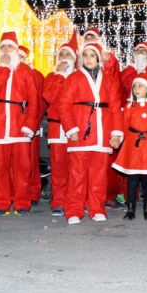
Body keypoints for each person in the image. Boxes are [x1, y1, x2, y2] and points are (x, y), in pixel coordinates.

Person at [57, 42, 123, 224]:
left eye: (92, 55)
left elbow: (116, 108)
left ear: (98, 58)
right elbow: (64, 105)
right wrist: (71, 128)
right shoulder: (74, 78)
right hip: (80, 133)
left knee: (99, 176)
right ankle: (74, 211)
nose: (88, 59)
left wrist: (116, 134)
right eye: (85, 55)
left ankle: (97, 209)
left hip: (102, 133)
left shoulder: (109, 80)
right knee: (77, 175)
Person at [0, 31, 40, 216]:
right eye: (3, 47)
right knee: (0, 167)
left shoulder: (25, 71)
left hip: (20, 124)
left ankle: (21, 202)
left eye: (10, 47)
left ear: (16, 49)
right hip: (0, 125)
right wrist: (4, 69)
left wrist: (30, 124)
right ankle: (1, 203)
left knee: (22, 167)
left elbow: (34, 99)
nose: (6, 50)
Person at [112, 72, 147, 220]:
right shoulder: (129, 106)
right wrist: (118, 138)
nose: (137, 89)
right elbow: (124, 125)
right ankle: (130, 208)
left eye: (141, 86)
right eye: (135, 86)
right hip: (133, 145)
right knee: (132, 179)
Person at [43, 34, 78, 216]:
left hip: (76, 129)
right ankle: (59, 201)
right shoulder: (52, 77)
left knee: (76, 168)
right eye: (62, 54)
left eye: (68, 54)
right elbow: (50, 97)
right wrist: (60, 75)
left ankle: (76, 201)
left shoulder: (80, 77)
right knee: (58, 167)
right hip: (57, 128)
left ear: (74, 58)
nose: (64, 57)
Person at [19, 45, 47, 206]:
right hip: (14, 128)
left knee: (31, 162)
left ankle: (33, 193)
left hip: (31, 125)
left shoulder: (36, 76)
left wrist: (34, 122)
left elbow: (40, 102)